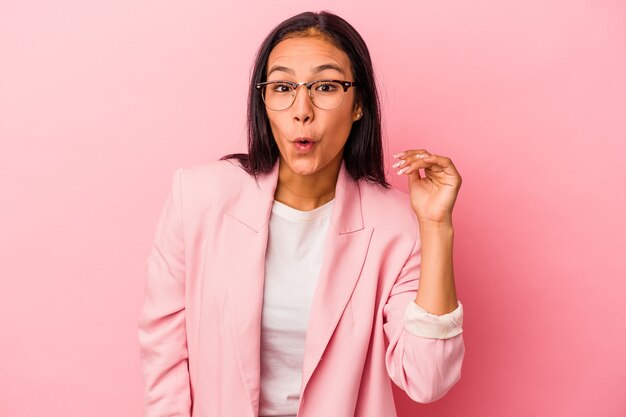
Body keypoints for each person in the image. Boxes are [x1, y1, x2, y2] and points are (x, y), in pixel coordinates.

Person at [138, 10, 465, 417]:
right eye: (282, 87)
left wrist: (435, 227)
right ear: (264, 101)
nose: (301, 109)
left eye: (325, 86)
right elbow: (164, 354)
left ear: (358, 104)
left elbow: (427, 379)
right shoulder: (198, 197)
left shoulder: (398, 224)